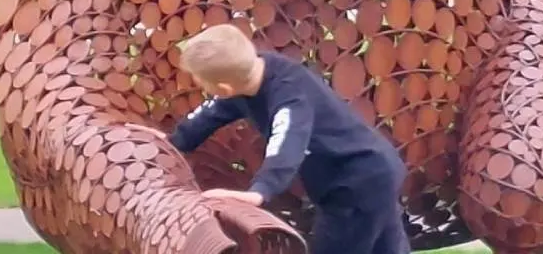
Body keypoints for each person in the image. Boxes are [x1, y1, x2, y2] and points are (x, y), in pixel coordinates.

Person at [162, 24, 411, 254]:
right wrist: (172, 144)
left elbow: (287, 143)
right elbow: (211, 114)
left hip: (356, 185)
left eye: (203, 83)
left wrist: (261, 190)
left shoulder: (290, 97)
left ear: (224, 88)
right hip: (375, 172)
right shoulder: (251, 76)